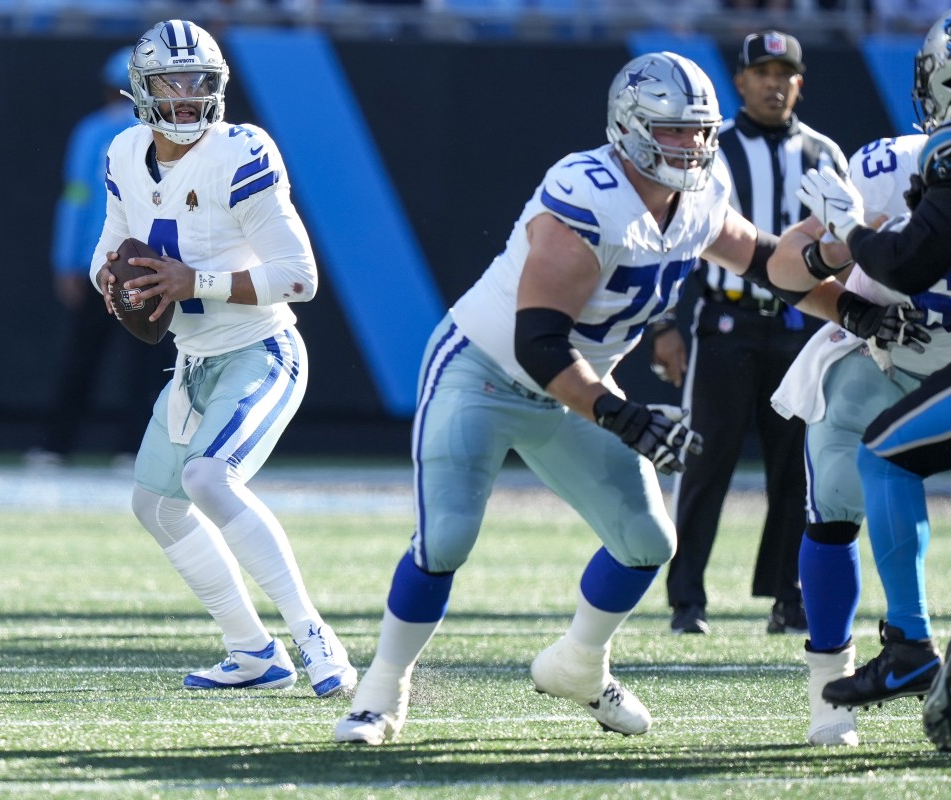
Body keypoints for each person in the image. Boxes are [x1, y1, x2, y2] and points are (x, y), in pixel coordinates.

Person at [331, 51, 924, 746]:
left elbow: (768, 264)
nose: (692, 146)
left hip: (571, 386)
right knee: (447, 539)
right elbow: (541, 342)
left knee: (647, 541)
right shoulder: (588, 192)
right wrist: (621, 414)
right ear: (630, 127)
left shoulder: (700, 197)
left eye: (700, 131)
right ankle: (379, 693)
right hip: (484, 372)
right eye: (673, 132)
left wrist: (844, 302)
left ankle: (579, 663)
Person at [89, 20, 356, 697]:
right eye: (170, 84)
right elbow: (111, 244)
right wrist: (115, 284)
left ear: (219, 88)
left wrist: (192, 282)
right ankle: (253, 652)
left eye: (198, 83)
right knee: (155, 506)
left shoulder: (242, 151)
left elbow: (300, 277)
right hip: (192, 363)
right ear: (140, 91)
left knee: (210, 478)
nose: (185, 98)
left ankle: (315, 638)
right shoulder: (122, 151)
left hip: (259, 349)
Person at [770, 9, 951, 747]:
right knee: (840, 494)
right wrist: (845, 292)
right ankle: (830, 698)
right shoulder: (894, 164)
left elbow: (904, 258)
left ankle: (910, 651)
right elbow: (784, 269)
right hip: (891, 364)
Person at [654, 31, 848, 636]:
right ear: (739, 81)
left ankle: (789, 596)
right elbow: (674, 229)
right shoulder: (711, 149)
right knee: (704, 464)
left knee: (797, 472)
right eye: (761, 72)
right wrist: (664, 321)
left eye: (783, 73)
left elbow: (850, 242)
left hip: (800, 330)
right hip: (726, 327)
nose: (772, 83)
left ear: (800, 82)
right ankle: (687, 598)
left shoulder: (824, 153)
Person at [26, 48, 165, 469]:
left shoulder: (91, 132)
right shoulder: (166, 134)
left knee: (83, 354)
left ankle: (56, 445)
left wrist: (65, 261)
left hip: (99, 262)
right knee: (147, 359)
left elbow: (75, 198)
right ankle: (135, 448)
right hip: (150, 262)